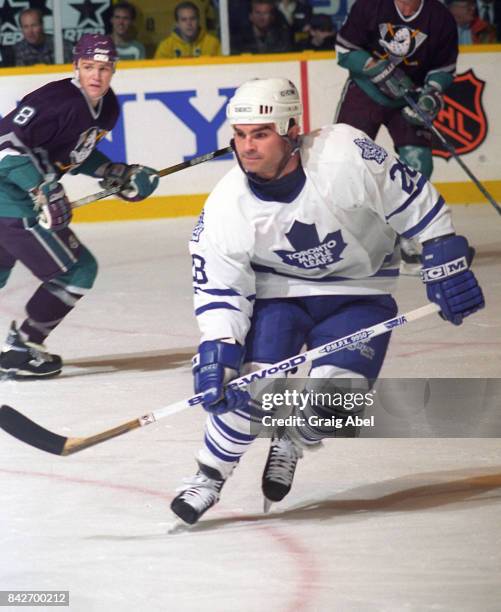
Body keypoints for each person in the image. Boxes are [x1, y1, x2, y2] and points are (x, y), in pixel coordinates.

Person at [169, 77, 484, 525]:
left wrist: (442, 250)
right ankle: (209, 476)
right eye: (240, 136)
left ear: (292, 130)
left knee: (334, 404)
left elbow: (412, 199)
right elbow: (221, 289)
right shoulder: (225, 207)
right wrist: (218, 348)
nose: (247, 147)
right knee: (245, 385)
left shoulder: (344, 156)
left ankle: (293, 438)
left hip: (361, 288)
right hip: (280, 292)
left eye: (260, 134)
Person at [0, 34, 159, 379]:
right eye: (89, 67)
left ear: (113, 69)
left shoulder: (108, 108)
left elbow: (74, 154)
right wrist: (42, 189)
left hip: (16, 196)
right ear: (75, 66)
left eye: (103, 68)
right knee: (77, 271)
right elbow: (5, 147)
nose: (96, 76)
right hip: (10, 197)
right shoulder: (56, 101)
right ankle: (22, 349)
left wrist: (112, 171)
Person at [334, 0, 458, 272]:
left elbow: (444, 69)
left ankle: (407, 235)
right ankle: (350, 235)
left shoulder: (440, 18)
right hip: (366, 92)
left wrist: (431, 95)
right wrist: (378, 69)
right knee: (346, 159)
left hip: (409, 95)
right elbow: (344, 51)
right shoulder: (369, 6)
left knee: (419, 160)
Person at [154, 1, 221, 59]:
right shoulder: (166, 47)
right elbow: (157, 72)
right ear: (177, 23)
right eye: (184, 20)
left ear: (198, 20)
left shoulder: (213, 44)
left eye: (192, 18)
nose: (189, 23)